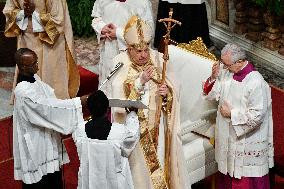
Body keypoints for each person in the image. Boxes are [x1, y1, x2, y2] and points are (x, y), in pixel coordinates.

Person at [111, 16, 186, 189]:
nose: (144, 55)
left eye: (145, 50)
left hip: (158, 126)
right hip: (136, 129)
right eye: (138, 51)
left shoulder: (159, 59)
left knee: (159, 163)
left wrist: (167, 93)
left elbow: (174, 89)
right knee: (139, 172)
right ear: (129, 50)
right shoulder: (119, 63)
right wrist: (140, 81)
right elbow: (120, 102)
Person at [13, 48, 87, 189]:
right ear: (22, 66)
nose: (37, 66)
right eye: (33, 63)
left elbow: (49, 103)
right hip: (36, 143)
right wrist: (78, 102)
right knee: (41, 181)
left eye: (36, 62)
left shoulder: (34, 79)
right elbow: (47, 109)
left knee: (53, 177)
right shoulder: (23, 91)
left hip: (44, 135)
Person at [203, 44, 274, 189]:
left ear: (240, 62)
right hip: (227, 137)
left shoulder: (256, 82)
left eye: (227, 64)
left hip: (246, 140)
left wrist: (232, 114)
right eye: (222, 63)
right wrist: (213, 77)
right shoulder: (227, 71)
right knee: (226, 175)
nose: (224, 67)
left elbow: (257, 116)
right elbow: (212, 95)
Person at [3, 0, 79, 99]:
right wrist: (23, 13)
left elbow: (58, 20)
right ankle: (28, 104)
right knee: (29, 80)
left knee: (51, 81)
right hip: (27, 38)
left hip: (51, 44)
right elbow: (8, 11)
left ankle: (54, 106)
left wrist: (34, 14)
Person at [72, 90, 140, 189]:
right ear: (107, 109)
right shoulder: (119, 132)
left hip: (90, 181)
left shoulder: (80, 130)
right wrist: (132, 114)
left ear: (89, 109)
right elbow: (132, 135)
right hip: (114, 182)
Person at [91, 0, 154, 96]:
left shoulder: (142, 3)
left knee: (125, 86)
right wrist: (101, 27)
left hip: (130, 53)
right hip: (108, 48)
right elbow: (96, 18)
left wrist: (118, 33)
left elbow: (148, 32)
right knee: (108, 82)